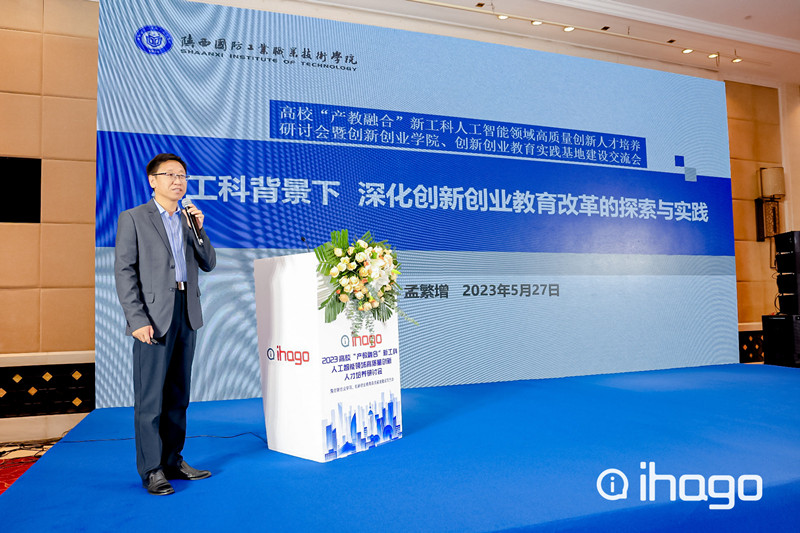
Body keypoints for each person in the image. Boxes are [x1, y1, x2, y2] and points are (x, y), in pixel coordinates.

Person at [114, 153, 217, 495]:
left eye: (182, 175)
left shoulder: (188, 220)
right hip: (153, 318)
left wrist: (199, 229)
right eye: (170, 174)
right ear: (152, 181)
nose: (178, 181)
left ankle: (173, 460)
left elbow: (209, 263)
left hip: (186, 311)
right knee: (150, 400)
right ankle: (152, 469)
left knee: (178, 394)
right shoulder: (133, 218)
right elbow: (125, 272)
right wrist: (136, 319)